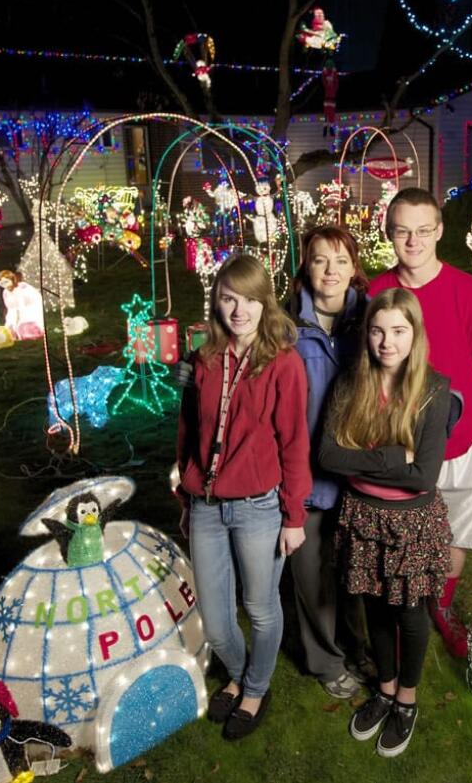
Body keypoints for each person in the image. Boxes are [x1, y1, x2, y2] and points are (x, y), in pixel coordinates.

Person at [367, 187, 472, 657]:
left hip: (460, 443)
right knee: (401, 536)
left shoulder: (471, 293)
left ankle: (440, 606)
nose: (413, 241)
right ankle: (399, 612)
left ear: (440, 231)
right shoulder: (377, 291)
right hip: (401, 444)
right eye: (402, 231)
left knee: (453, 535)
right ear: (389, 233)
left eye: (423, 230)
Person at [175, 254, 310, 740]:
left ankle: (254, 687)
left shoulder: (283, 363)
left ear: (264, 303)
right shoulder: (205, 357)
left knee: (259, 607)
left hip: (258, 508)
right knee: (215, 621)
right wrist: (188, 492)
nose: (239, 310)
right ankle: (238, 671)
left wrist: (294, 515)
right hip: (208, 506)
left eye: (250, 300)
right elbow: (189, 429)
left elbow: (294, 441)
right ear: (216, 301)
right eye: (229, 298)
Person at [319, 288, 453, 757]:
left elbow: (424, 476)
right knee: (374, 606)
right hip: (363, 515)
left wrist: (359, 458)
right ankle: (386, 687)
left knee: (409, 612)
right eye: (377, 330)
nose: (386, 341)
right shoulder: (351, 384)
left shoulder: (434, 391)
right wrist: (392, 455)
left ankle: (408, 700)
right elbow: (327, 454)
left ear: (414, 335)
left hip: (408, 522)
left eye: (398, 331)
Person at [287, 225, 369, 698]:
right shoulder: (286, 328)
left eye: (340, 260)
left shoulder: (371, 320)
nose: (331, 270)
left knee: (357, 574)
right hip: (308, 477)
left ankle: (360, 645)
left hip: (360, 476)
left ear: (353, 266)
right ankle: (324, 660)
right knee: (312, 576)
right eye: (320, 260)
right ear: (307, 267)